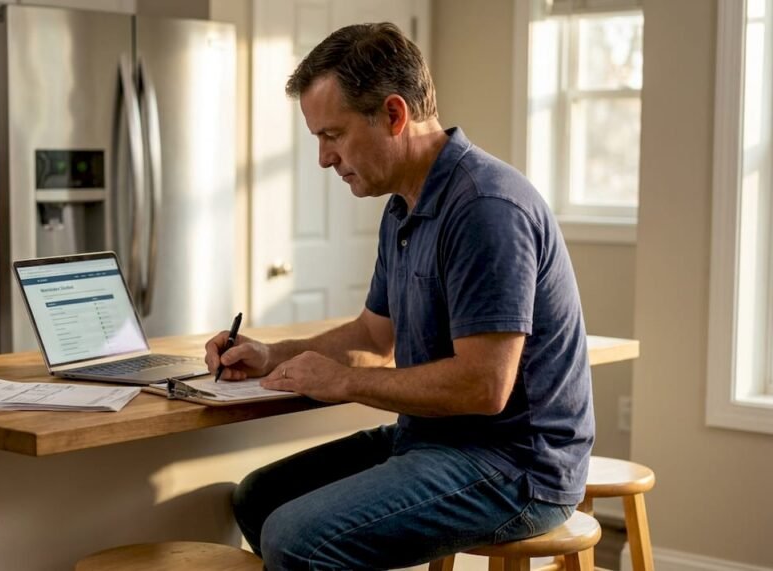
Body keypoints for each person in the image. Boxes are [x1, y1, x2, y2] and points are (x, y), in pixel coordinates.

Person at [203, 22, 594, 570]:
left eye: (331, 135)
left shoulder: (486, 208)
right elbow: (372, 335)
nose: (322, 158)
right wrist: (274, 354)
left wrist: (344, 383)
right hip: (434, 439)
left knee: (296, 538)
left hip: (515, 466)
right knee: (260, 497)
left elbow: (485, 387)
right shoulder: (405, 206)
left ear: (393, 114)